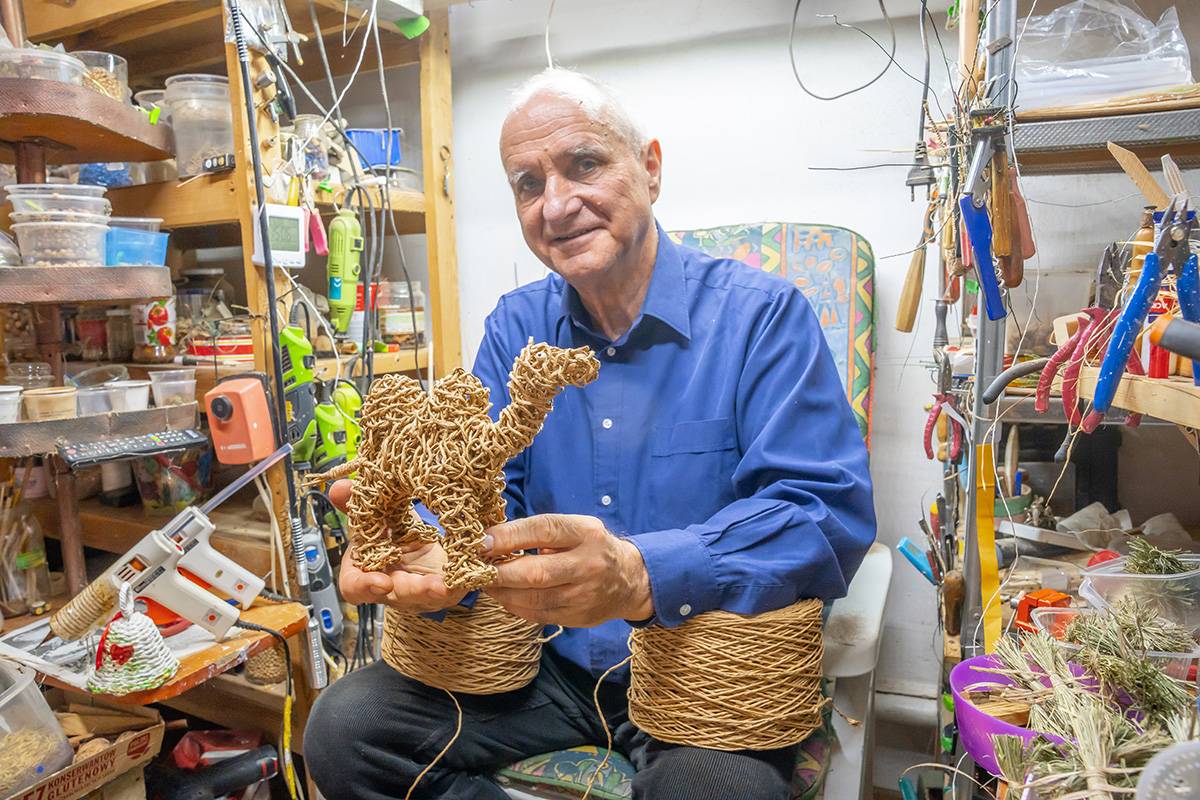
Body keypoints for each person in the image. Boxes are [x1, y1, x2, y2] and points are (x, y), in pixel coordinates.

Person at [305, 68, 875, 800]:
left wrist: (641, 573)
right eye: (528, 184)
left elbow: (822, 515)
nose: (557, 204)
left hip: (699, 671)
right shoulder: (516, 325)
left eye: (584, 164)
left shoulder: (762, 317)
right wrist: (425, 548)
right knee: (345, 731)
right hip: (542, 664)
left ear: (651, 169)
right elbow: (478, 488)